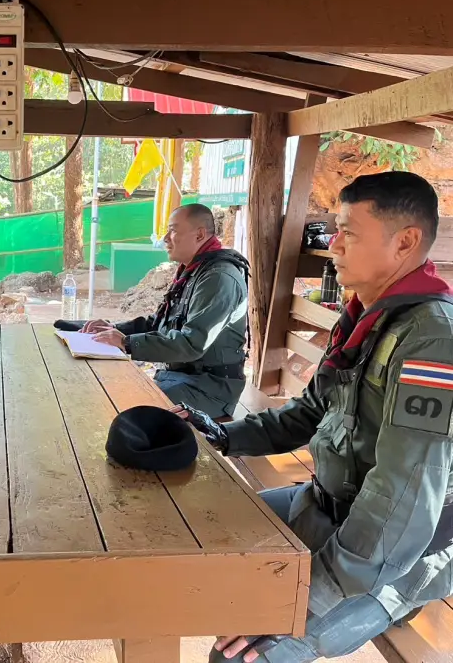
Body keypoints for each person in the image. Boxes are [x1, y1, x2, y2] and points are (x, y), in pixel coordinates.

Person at [177, 172, 453, 663]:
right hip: (326, 505)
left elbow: (402, 505)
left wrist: (300, 604)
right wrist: (221, 434)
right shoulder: (368, 318)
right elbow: (310, 412)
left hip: (397, 554)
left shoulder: (432, 342)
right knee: (196, 529)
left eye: (349, 232)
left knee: (241, 656)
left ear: (405, 242)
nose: (333, 244)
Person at [82, 204, 250, 418]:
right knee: (106, 392)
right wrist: (113, 329)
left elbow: (191, 343)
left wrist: (126, 343)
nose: (165, 239)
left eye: (173, 230)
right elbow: (158, 323)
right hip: (180, 378)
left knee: (121, 409)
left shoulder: (218, 278)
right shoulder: (193, 271)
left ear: (199, 234)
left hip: (209, 390)